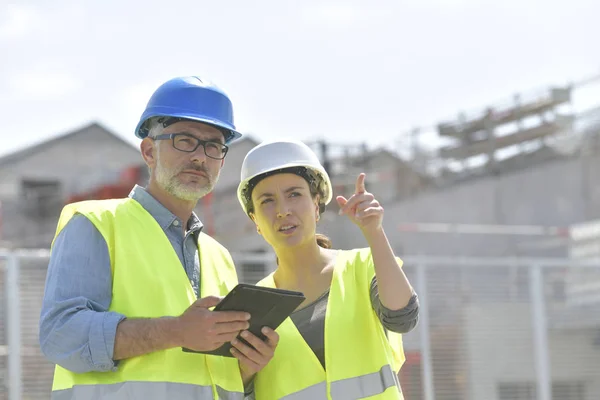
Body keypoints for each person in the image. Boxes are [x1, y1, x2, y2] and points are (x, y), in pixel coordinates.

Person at [39, 76, 278, 400]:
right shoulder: (96, 223)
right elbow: (61, 337)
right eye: (184, 140)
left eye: (213, 145)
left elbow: (206, 376)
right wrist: (175, 331)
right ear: (149, 151)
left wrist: (247, 367)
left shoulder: (218, 256)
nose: (200, 157)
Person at [233, 139, 419, 399]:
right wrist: (245, 371)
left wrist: (374, 232)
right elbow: (235, 391)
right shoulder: (251, 307)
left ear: (316, 204)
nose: (283, 211)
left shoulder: (363, 267)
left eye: (294, 194)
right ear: (255, 220)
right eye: (267, 201)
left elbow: (403, 317)